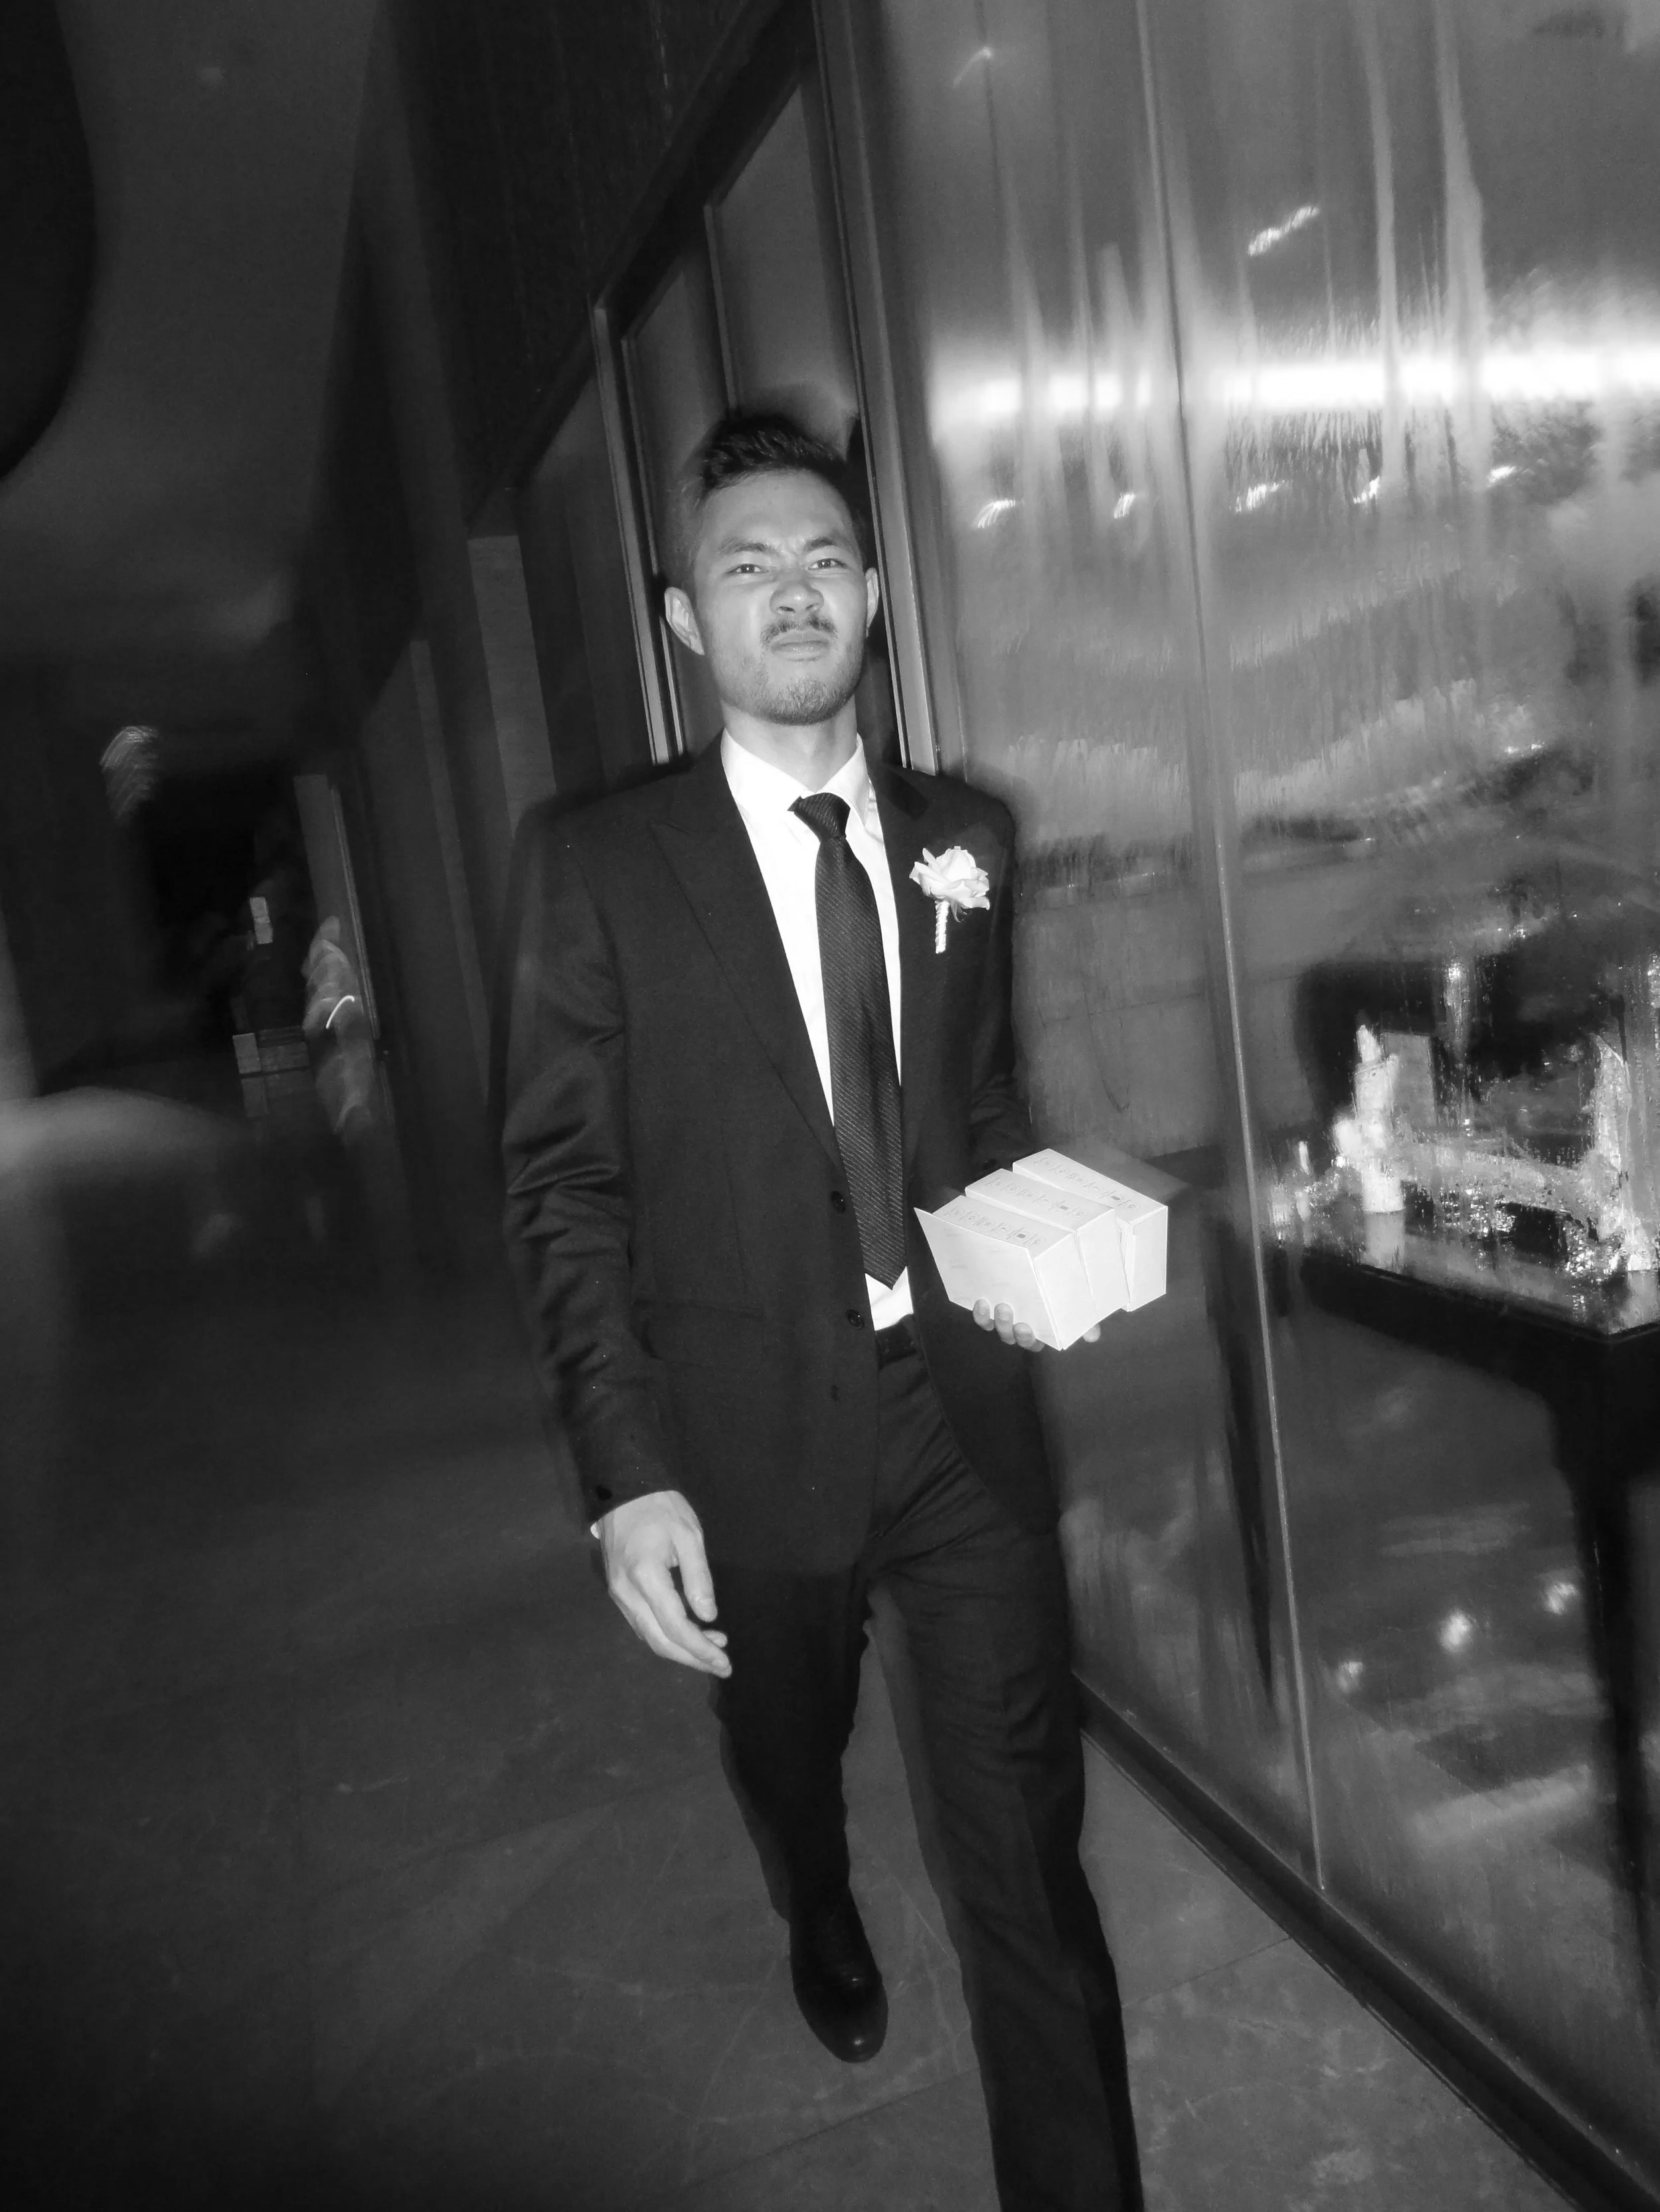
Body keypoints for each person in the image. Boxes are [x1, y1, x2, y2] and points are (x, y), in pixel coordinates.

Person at [501, 411, 1144, 2211]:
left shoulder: (968, 835)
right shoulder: (598, 862)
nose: (792, 590)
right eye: (745, 564)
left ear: (871, 596)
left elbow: (980, 1098)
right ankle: (815, 1895)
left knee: (1023, 1850)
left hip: (956, 1421)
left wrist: (1041, 1241)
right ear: (684, 621)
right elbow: (559, 1187)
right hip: (738, 1437)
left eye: (824, 558)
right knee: (787, 1756)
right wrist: (626, 1471)